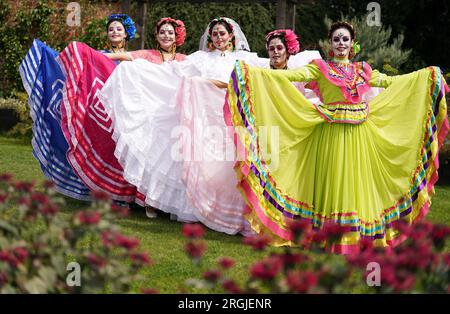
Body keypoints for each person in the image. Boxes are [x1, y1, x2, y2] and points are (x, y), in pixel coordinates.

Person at [225, 21, 449, 253]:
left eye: (345, 39)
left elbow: (389, 81)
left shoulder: (363, 69)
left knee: (354, 179)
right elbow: (290, 76)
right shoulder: (319, 67)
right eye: (336, 39)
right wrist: (251, 73)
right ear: (330, 44)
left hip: (360, 135)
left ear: (352, 44)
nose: (341, 43)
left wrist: (426, 76)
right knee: (334, 178)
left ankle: (353, 234)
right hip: (330, 134)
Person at [99, 18, 321, 234]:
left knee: (231, 163)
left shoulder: (245, 58)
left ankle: (245, 210)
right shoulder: (201, 58)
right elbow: (174, 72)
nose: (218, 37)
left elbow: (271, 69)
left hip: (235, 113)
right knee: (205, 160)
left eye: (222, 33)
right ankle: (199, 209)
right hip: (206, 113)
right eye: (214, 34)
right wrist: (135, 69)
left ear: (231, 35)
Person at [105, 17, 186, 64]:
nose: (166, 35)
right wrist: (92, 53)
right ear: (157, 36)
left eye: (170, 33)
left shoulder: (183, 59)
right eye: (162, 32)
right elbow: (119, 56)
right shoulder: (147, 54)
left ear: (176, 37)